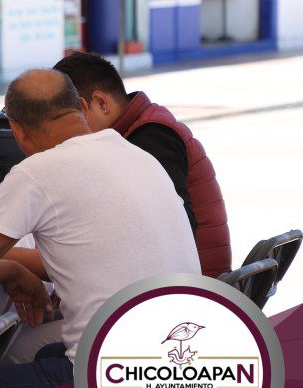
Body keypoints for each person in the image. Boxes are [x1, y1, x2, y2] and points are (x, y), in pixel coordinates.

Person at [0, 69, 200, 388]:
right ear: (80, 105)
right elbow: (99, 256)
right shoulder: (137, 155)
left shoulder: (36, 174)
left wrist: (11, 269)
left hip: (113, 379)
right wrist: (18, 268)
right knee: (40, 355)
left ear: (17, 131)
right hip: (184, 362)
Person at [54, 51, 231, 278]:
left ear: (100, 102)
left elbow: (174, 227)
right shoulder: (140, 127)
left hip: (192, 284)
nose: (67, 133)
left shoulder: (150, 136)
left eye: (70, 118)